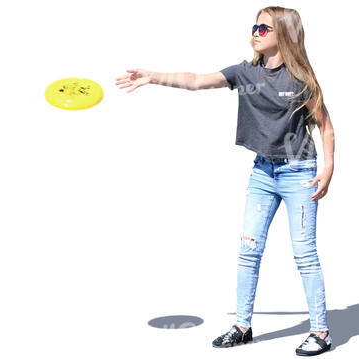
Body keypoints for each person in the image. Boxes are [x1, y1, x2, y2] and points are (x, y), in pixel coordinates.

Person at [115, 6, 334, 356]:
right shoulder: (245, 73)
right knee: (249, 251)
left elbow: (324, 125)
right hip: (263, 172)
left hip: (299, 173)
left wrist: (328, 168)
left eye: (265, 28)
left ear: (285, 35)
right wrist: (152, 76)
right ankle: (242, 326)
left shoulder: (300, 80)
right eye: (255, 27)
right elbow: (197, 80)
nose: (257, 32)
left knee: (304, 255)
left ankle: (321, 332)